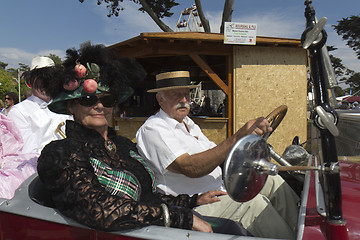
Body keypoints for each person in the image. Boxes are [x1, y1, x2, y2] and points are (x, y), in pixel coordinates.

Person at [37, 44, 250, 235]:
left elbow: (149, 196)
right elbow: (100, 210)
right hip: (136, 231)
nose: (99, 106)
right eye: (87, 99)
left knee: (239, 224)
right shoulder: (61, 152)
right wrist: (179, 217)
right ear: (70, 106)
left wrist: (191, 201)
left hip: (155, 226)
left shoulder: (123, 146)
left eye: (108, 100)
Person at [136, 70, 300, 239]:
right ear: (160, 99)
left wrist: (248, 146)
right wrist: (238, 137)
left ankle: (304, 230)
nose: (184, 100)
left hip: (219, 189)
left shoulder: (189, 124)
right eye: (176, 94)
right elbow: (190, 167)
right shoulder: (154, 129)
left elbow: (220, 156)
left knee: (270, 178)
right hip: (192, 206)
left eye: (186, 93)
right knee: (253, 205)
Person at [7, 56, 72, 154]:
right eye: (40, 80)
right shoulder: (19, 111)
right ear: (30, 83)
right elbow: (27, 153)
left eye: (50, 78)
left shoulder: (67, 105)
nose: (46, 83)